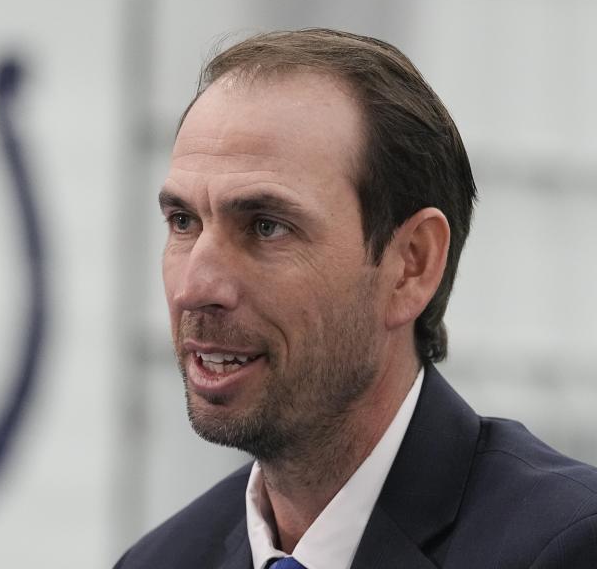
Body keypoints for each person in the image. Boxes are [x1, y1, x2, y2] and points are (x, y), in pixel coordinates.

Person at [115, 29, 597, 569]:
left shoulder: (568, 546)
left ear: (411, 265)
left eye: (267, 227)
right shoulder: (159, 560)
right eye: (183, 221)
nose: (194, 289)